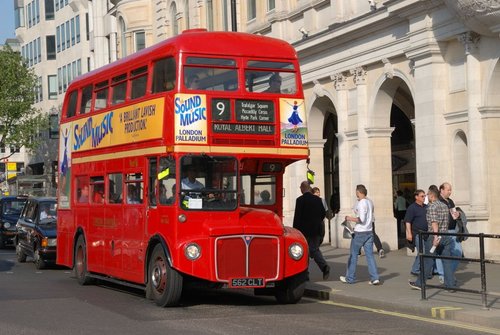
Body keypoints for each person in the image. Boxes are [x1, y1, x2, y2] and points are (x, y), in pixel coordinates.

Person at [409, 186, 456, 291]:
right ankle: (450, 285)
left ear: (431, 195)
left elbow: (434, 222)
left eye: (427, 195)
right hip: (445, 235)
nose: (427, 197)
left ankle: (420, 283)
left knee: (428, 260)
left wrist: (435, 236)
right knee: (447, 261)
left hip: (434, 236)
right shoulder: (444, 206)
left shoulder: (431, 207)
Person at [340, 184, 380, 285]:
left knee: (353, 256)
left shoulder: (362, 203)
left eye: (356, 192)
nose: (355, 194)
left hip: (360, 232)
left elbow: (361, 219)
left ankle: (350, 278)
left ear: (358, 192)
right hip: (369, 231)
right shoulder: (369, 202)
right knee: (370, 256)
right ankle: (375, 278)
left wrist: (349, 218)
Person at [293, 181, 330, 280]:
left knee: (304, 252)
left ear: (302, 188)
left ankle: (305, 274)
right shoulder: (318, 200)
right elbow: (323, 214)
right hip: (316, 230)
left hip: (304, 231)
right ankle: (324, 266)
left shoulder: (300, 200)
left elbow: (297, 217)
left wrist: (295, 231)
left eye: (300, 188)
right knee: (314, 249)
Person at [435, 182, 463, 284]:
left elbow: (454, 214)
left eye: (450, 190)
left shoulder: (450, 201)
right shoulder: (438, 201)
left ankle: (448, 273)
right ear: (441, 190)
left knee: (458, 253)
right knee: (441, 254)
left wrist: (458, 214)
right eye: (448, 190)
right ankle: (443, 275)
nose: (450, 192)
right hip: (442, 230)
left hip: (453, 230)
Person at [404, 189, 428, 276]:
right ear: (416, 197)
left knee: (425, 252)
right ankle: (415, 269)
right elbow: (408, 221)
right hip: (417, 234)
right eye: (422, 196)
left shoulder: (426, 207)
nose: (424, 197)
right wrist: (409, 233)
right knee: (422, 251)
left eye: (425, 196)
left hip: (426, 233)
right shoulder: (412, 208)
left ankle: (421, 268)